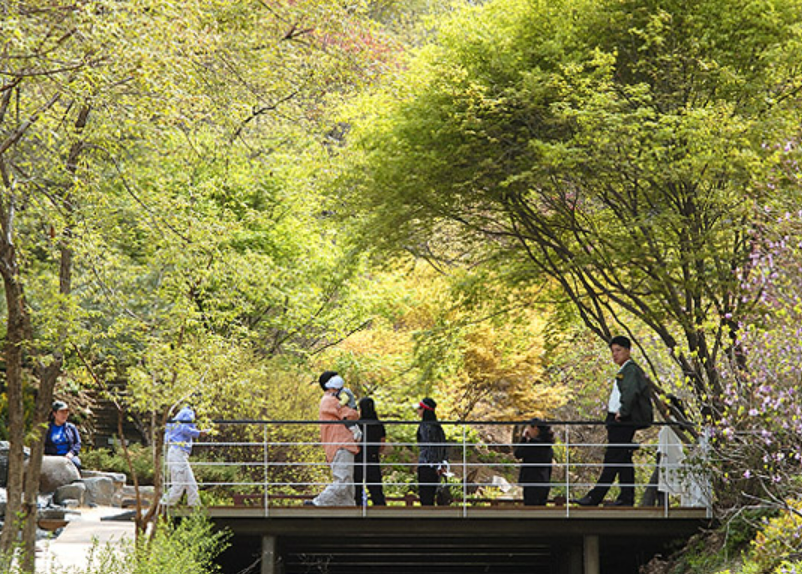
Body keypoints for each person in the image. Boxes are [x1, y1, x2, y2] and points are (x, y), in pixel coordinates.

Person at [575, 335, 653, 507]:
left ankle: (594, 497)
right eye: (613, 351)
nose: (614, 355)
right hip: (619, 420)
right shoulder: (625, 370)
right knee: (623, 459)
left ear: (628, 351)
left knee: (612, 458)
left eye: (618, 350)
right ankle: (626, 497)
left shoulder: (630, 370)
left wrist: (622, 412)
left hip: (623, 421)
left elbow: (631, 392)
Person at [310, 372, 360, 506]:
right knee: (343, 481)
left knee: (348, 485)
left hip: (339, 444)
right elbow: (351, 415)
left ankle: (349, 510)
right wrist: (353, 405)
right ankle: (318, 502)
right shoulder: (331, 400)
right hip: (341, 444)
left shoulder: (330, 400)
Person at [163, 406, 209, 507]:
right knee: (178, 486)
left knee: (191, 485)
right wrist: (199, 433)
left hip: (176, 452)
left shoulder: (179, 415)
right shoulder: (189, 413)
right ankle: (161, 507)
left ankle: (195, 509)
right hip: (178, 452)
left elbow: (167, 434)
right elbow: (184, 428)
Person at [353, 397, 387, 506]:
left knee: (356, 485)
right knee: (375, 486)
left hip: (359, 456)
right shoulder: (378, 424)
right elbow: (382, 443)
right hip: (373, 456)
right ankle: (380, 508)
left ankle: (357, 506)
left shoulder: (358, 424)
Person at [514, 418, 554, 506]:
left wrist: (524, 439)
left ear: (535, 428)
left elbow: (518, 454)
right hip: (544, 482)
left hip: (531, 482)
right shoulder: (548, 446)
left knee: (530, 509)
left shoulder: (533, 444)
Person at [416, 397, 447, 506]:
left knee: (425, 497)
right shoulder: (437, 427)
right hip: (435, 466)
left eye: (420, 408)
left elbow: (429, 447)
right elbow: (442, 447)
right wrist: (441, 463)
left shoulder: (425, 427)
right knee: (431, 495)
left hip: (426, 465)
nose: (418, 410)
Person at [45, 400, 82, 468]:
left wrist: (71, 453)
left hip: (68, 455)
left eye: (66, 413)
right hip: (52, 457)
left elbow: (78, 443)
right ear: (55, 414)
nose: (64, 415)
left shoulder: (71, 428)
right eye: (62, 412)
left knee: (76, 464)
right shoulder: (47, 428)